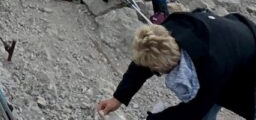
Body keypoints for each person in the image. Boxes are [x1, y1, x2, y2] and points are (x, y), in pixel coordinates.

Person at [97, 10, 256, 119]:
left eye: (159, 70)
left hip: (248, 60)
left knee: (212, 105)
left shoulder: (212, 65)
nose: (155, 72)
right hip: (226, 35)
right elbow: (142, 63)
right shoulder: (164, 34)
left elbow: (195, 109)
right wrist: (118, 98)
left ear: (172, 63)